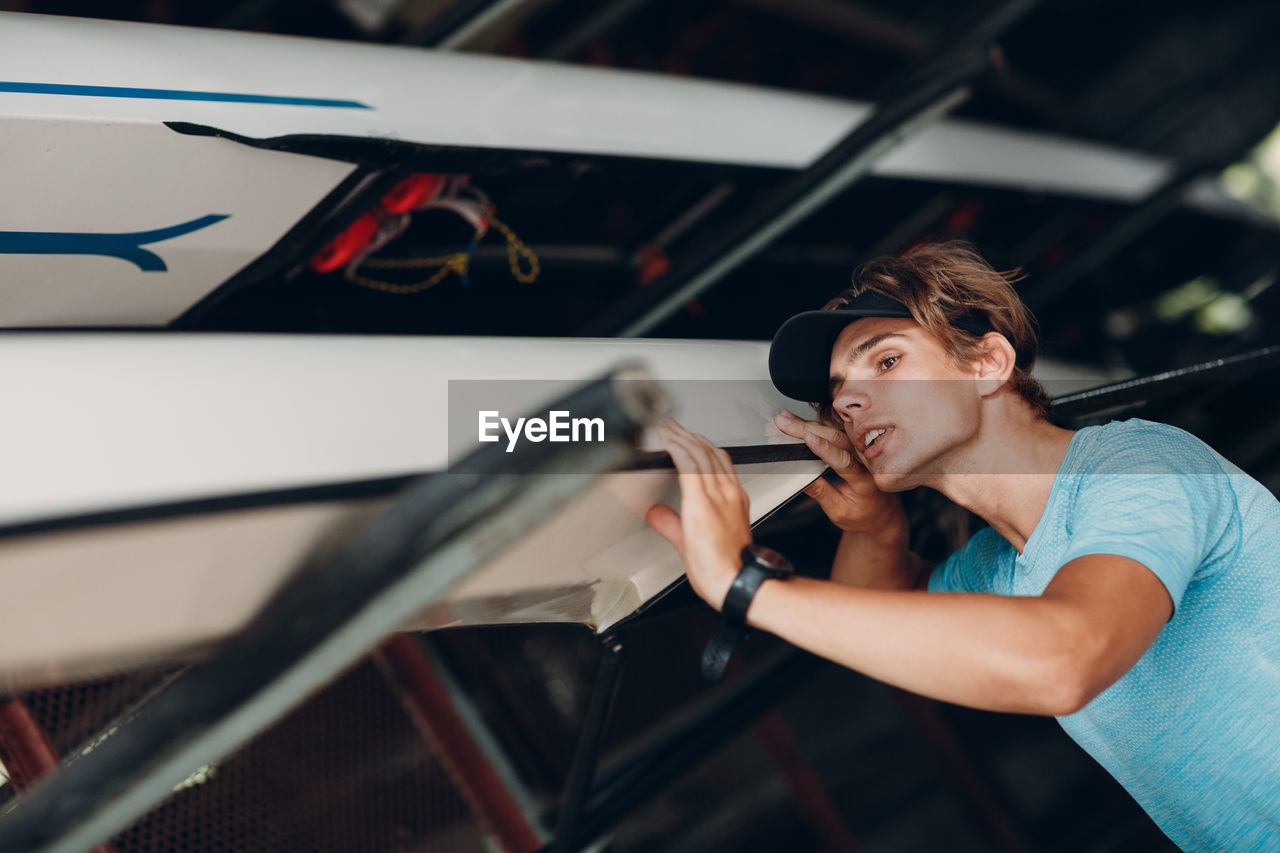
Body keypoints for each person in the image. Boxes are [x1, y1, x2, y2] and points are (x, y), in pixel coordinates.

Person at [645, 241, 1280, 851]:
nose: (847, 400)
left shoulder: (1138, 466)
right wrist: (875, 527)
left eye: (886, 361)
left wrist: (745, 587)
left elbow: (1067, 658)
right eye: (838, 390)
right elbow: (884, 620)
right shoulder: (998, 567)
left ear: (987, 364)